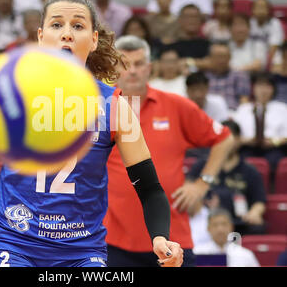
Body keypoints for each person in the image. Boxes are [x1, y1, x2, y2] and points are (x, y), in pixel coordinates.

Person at [0, 0, 183, 268]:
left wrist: (160, 237)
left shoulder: (115, 107)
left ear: (94, 39)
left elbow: (149, 188)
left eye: (77, 25)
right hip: (14, 243)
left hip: (82, 251)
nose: (66, 34)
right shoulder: (15, 98)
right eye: (56, 25)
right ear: (41, 37)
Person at [104, 35, 234, 267]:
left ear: (150, 68)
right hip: (114, 240)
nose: (132, 71)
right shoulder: (100, 107)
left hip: (173, 240)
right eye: (125, 63)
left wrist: (202, 183)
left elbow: (224, 138)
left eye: (139, 63)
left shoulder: (175, 105)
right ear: (114, 68)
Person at [188, 120, 267, 236]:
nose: (227, 142)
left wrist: (254, 213)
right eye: (222, 137)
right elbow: (187, 191)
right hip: (206, 221)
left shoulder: (250, 171)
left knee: (258, 228)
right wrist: (197, 206)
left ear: (239, 140)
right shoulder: (201, 166)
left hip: (239, 223)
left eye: (231, 137)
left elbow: (259, 201)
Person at [232, 72, 287, 173]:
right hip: (247, 147)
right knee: (239, 161)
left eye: (267, 86)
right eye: (260, 85)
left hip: (274, 149)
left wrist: (274, 142)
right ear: (253, 88)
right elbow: (234, 135)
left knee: (275, 161)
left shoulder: (282, 108)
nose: (263, 90)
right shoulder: (244, 109)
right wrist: (247, 140)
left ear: (273, 89)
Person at [193, 208, 260, 267]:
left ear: (231, 227)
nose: (220, 229)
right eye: (215, 225)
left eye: (224, 224)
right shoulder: (197, 253)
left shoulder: (246, 255)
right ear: (208, 228)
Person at [204, 43, 251, 111]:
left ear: (230, 57)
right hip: (209, 115)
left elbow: (244, 102)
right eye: (218, 57)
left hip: (232, 114)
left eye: (224, 56)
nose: (221, 60)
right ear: (210, 58)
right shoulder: (204, 77)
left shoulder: (240, 75)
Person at [250, 0, 285, 69]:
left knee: (278, 64)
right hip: (252, 56)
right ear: (252, 10)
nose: (261, 11)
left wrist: (267, 64)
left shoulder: (275, 23)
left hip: (271, 57)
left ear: (268, 10)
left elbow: (274, 47)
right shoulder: (249, 23)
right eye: (258, 7)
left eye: (263, 7)